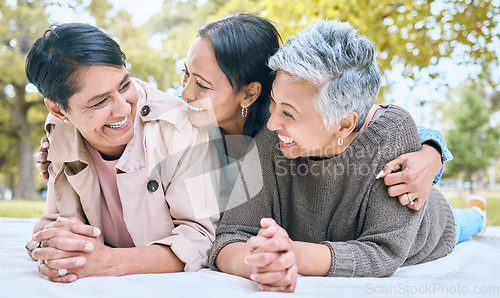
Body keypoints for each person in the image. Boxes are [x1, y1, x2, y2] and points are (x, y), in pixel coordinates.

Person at [35, 14, 451, 212]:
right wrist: (66, 140)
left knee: (452, 222)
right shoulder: (187, 118)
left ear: (249, 93)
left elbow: (371, 119)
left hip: (334, 220)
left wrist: (432, 152)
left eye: (202, 83)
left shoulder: (284, 126)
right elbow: (120, 109)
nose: (185, 91)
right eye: (186, 74)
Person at [209, 20, 487, 292]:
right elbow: (231, 236)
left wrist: (296, 254)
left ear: (344, 124)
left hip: (426, 229)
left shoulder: (392, 135)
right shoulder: (271, 140)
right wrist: (260, 264)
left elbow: (383, 252)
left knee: (466, 221)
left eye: (289, 113)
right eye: (274, 102)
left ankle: (477, 212)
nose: (271, 123)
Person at [25, 23, 219, 283]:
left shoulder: (178, 125)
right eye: (100, 101)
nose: (122, 109)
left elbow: (200, 235)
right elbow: (55, 219)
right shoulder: (59, 130)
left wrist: (107, 262)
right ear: (59, 110)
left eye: (125, 85)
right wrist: (53, 248)